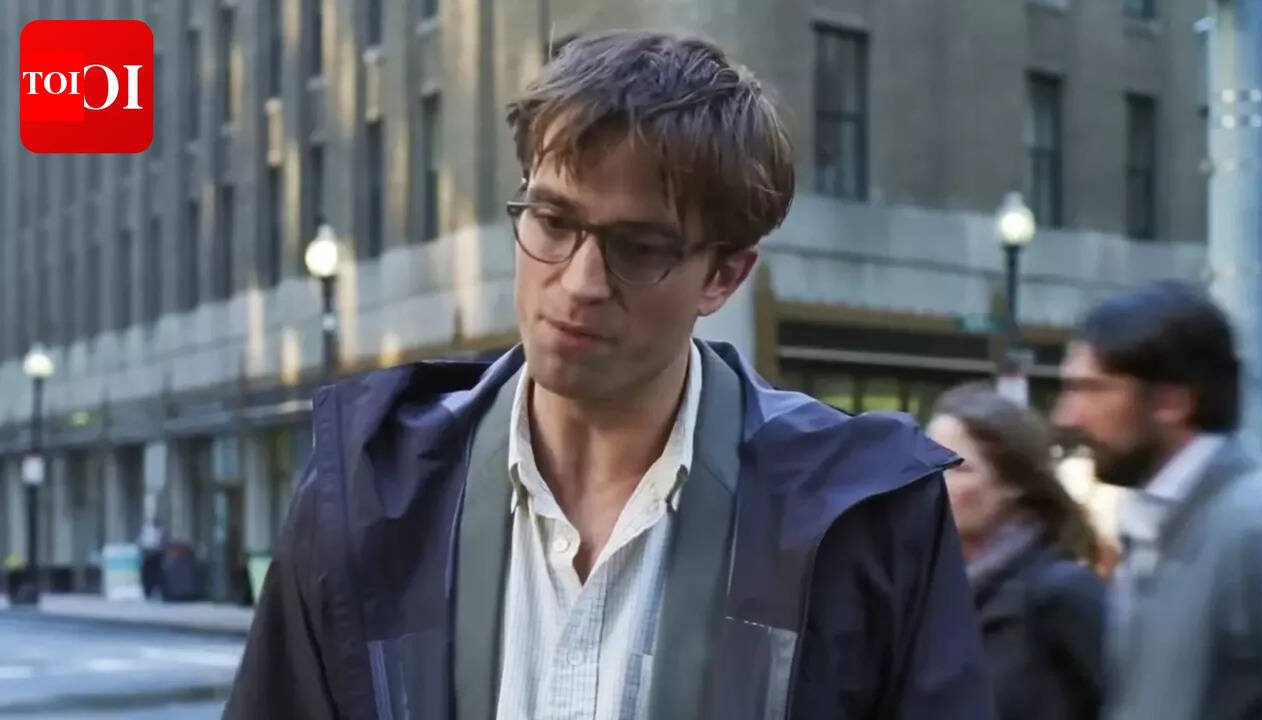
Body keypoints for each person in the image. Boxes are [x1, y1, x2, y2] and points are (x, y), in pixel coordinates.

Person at [225, 30, 992, 719]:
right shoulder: (367, 490)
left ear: (723, 276)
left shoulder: (866, 518)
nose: (581, 281)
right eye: (553, 221)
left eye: (640, 248)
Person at [1052, 280, 1262, 720]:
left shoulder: (1260, 521)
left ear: (1172, 402)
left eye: (1091, 389)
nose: (1067, 417)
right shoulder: (1151, 523)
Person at [928, 384, 1105, 720]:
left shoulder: (1060, 591)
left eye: (956, 467)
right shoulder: (931, 595)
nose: (929, 480)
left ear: (1014, 484)